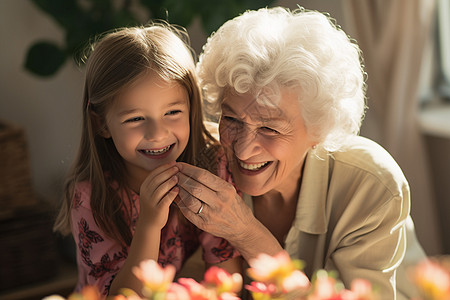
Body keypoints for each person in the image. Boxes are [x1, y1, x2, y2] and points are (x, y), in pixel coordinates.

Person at [174, 7, 426, 299]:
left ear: (319, 129)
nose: (242, 147)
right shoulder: (205, 167)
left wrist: (246, 233)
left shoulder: (371, 183)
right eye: (231, 120)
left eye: (270, 129)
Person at [53, 23, 240, 297]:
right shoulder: (90, 198)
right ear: (101, 124)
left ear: (191, 108)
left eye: (172, 112)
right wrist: (150, 224)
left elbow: (225, 275)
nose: (157, 133)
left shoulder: (210, 167)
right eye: (136, 119)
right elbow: (123, 297)